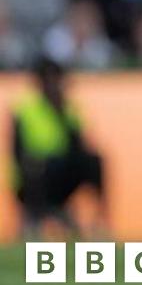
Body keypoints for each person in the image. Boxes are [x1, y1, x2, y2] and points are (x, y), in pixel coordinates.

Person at [10, 57, 108, 238]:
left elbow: (78, 148)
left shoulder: (68, 109)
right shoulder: (25, 110)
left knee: (94, 161)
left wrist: (61, 113)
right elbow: (16, 152)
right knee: (36, 168)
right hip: (34, 176)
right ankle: (34, 219)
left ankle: (100, 222)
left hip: (60, 174)